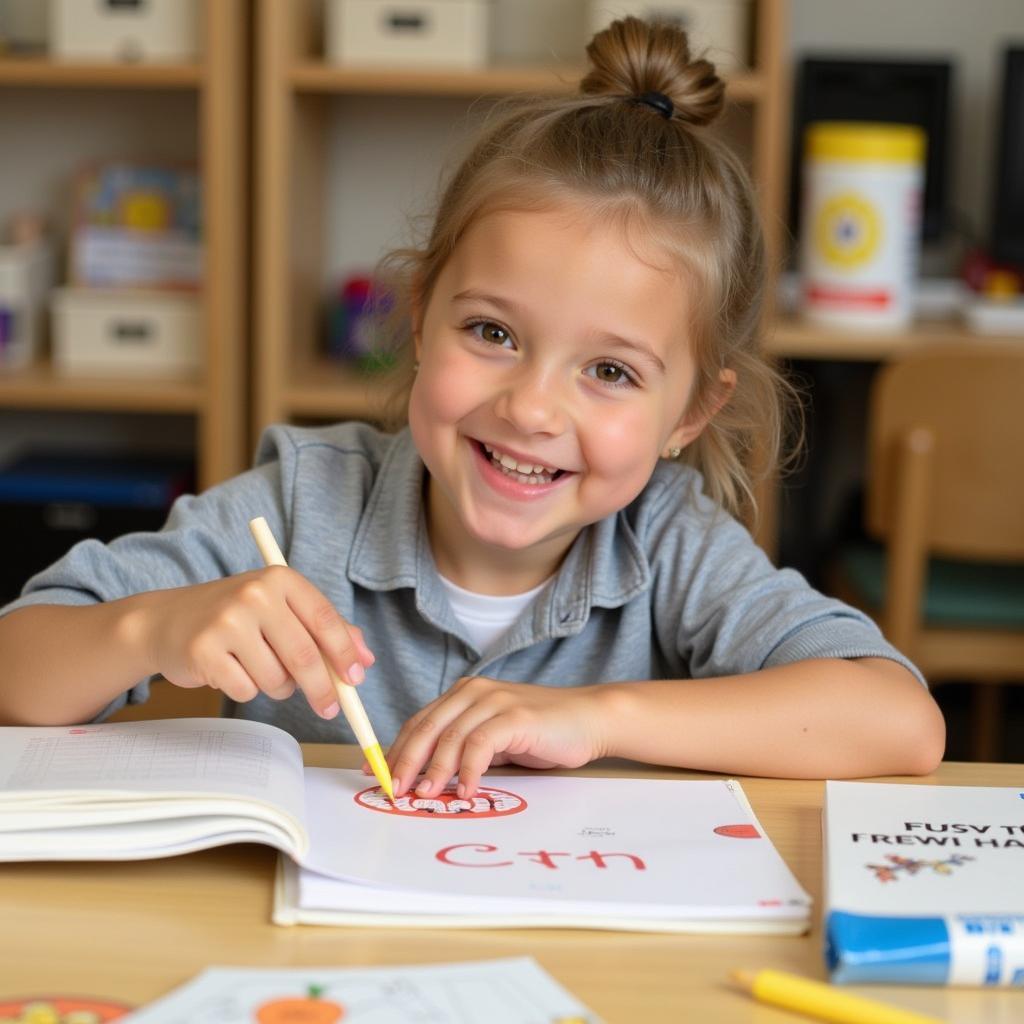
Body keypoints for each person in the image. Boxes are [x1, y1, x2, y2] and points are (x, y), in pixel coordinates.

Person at [0, 19, 945, 799]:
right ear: (419, 322)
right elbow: (17, 669)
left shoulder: (672, 548)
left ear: (692, 414)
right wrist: (159, 629)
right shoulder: (299, 507)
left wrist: (596, 716)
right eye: (493, 333)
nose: (532, 407)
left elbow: (901, 723)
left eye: (611, 373)